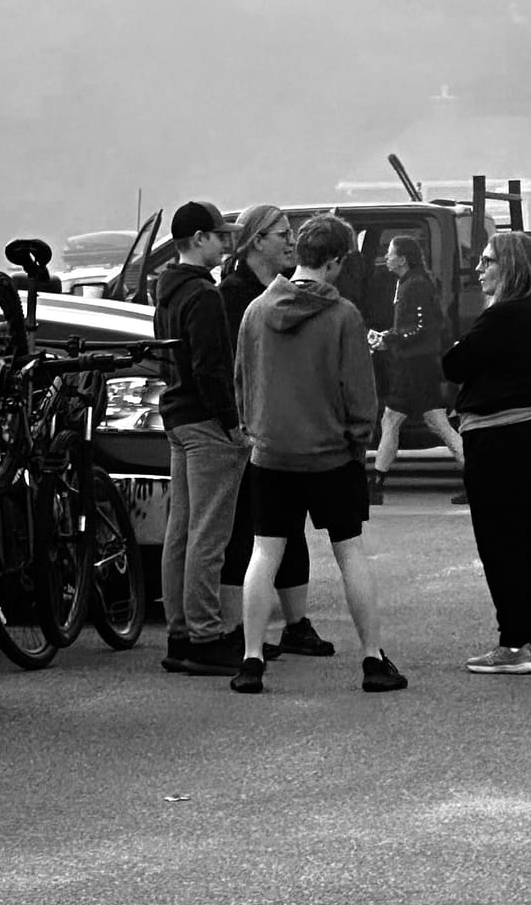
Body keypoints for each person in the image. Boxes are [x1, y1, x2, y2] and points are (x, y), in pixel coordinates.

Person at [229, 213, 405, 695]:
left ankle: (251, 660)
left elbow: (242, 379)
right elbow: (360, 394)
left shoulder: (256, 311)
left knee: (264, 552)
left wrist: (254, 432)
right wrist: (357, 443)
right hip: (331, 456)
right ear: (335, 261)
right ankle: (372, 658)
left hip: (271, 455)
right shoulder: (344, 315)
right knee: (349, 551)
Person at [442, 228, 531, 675]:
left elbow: (453, 364)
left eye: (487, 261)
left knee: (499, 542)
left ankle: (512, 643)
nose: (479, 269)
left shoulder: (501, 316)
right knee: (530, 539)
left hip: (498, 440)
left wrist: (462, 345)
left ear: (509, 267)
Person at [217, 206, 333, 659]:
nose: (291, 242)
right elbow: (235, 365)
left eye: (293, 234)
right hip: (254, 426)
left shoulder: (283, 290)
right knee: (247, 528)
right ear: (255, 240)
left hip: (288, 426)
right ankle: (237, 628)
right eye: (283, 234)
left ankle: (296, 623)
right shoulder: (233, 296)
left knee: (290, 526)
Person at [152, 199, 247, 676]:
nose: (225, 242)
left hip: (176, 417)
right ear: (198, 239)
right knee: (209, 533)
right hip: (207, 423)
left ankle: (179, 633)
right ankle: (207, 636)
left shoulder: (166, 290)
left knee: (181, 530)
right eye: (219, 235)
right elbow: (212, 367)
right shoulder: (204, 296)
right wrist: (233, 424)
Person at [368, 233, 463, 490]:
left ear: (402, 259)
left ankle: (377, 483)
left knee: (414, 421)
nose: (386, 257)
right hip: (414, 364)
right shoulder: (407, 282)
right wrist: (388, 336)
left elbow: (422, 328)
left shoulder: (416, 284)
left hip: (415, 366)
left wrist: (390, 338)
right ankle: (377, 482)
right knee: (422, 421)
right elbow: (411, 326)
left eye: (390, 253)